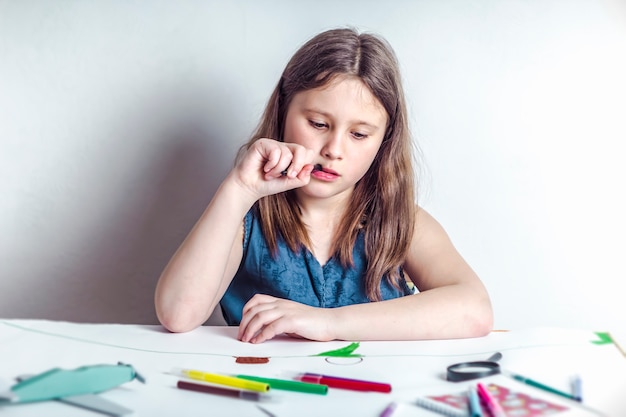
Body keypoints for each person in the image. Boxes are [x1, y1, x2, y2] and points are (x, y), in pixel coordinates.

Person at [154, 27, 493, 344]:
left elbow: (474, 310)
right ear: (284, 112)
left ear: (383, 142)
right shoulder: (245, 218)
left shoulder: (400, 221)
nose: (333, 149)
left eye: (358, 134)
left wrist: (327, 323)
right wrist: (239, 188)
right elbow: (178, 314)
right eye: (318, 123)